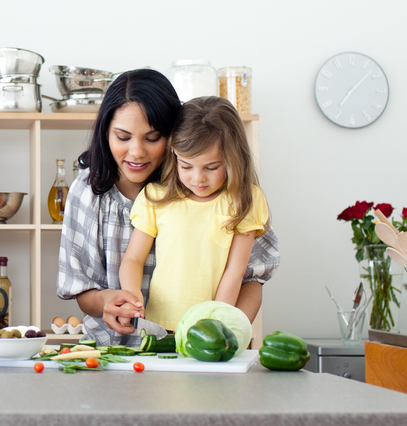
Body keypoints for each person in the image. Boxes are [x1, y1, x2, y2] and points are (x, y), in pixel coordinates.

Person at [57, 69, 279, 346]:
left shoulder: (225, 194)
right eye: (123, 137)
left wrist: (223, 335)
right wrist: (109, 300)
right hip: (114, 350)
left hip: (204, 351)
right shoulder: (89, 192)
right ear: (105, 133)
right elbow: (84, 289)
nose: (137, 152)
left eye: (152, 138)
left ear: (175, 136)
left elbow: (250, 278)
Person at [117, 96, 269, 331]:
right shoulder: (155, 196)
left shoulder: (245, 199)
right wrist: (132, 296)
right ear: (174, 156)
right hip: (159, 328)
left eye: (211, 167)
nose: (198, 178)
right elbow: (133, 259)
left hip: (209, 330)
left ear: (233, 160)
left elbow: (235, 271)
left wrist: (215, 326)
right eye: (186, 166)